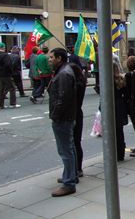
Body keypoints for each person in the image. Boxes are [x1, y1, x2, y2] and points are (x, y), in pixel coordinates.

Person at [48, 48, 77, 197]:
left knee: (65, 150)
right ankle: (71, 175)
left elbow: (63, 98)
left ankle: (69, 183)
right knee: (69, 148)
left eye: (52, 57)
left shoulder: (64, 74)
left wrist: (55, 115)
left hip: (63, 118)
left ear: (59, 58)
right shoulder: (64, 71)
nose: (49, 59)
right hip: (66, 117)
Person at [68, 63, 86, 177]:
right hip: (78, 113)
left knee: (74, 142)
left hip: (74, 113)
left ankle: (77, 168)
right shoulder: (81, 83)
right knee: (77, 142)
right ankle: (78, 168)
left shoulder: (76, 85)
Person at [0, 42, 20, 109]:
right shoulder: (5, 55)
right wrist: (10, 72)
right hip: (6, 74)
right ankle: (13, 103)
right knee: (12, 88)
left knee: (1, 90)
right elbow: (8, 65)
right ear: (3, 48)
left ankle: (0, 105)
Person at [112, 61, 128, 161]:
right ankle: (121, 154)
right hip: (120, 106)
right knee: (119, 131)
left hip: (112, 106)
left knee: (112, 132)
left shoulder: (109, 80)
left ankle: (114, 153)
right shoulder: (121, 79)